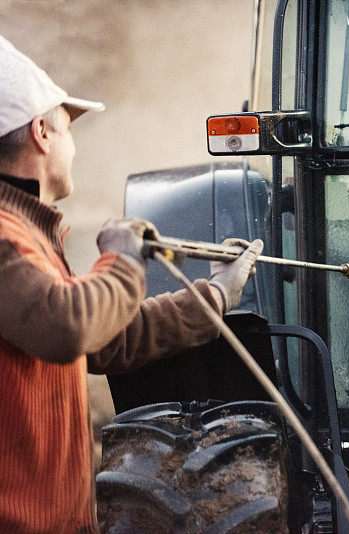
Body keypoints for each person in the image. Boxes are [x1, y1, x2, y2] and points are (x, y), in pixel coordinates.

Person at [0, 34, 264, 532]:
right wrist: (121, 260)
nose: (74, 147)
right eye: (68, 129)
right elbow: (69, 327)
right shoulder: (3, 236)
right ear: (41, 132)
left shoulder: (24, 235)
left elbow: (103, 341)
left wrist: (215, 296)